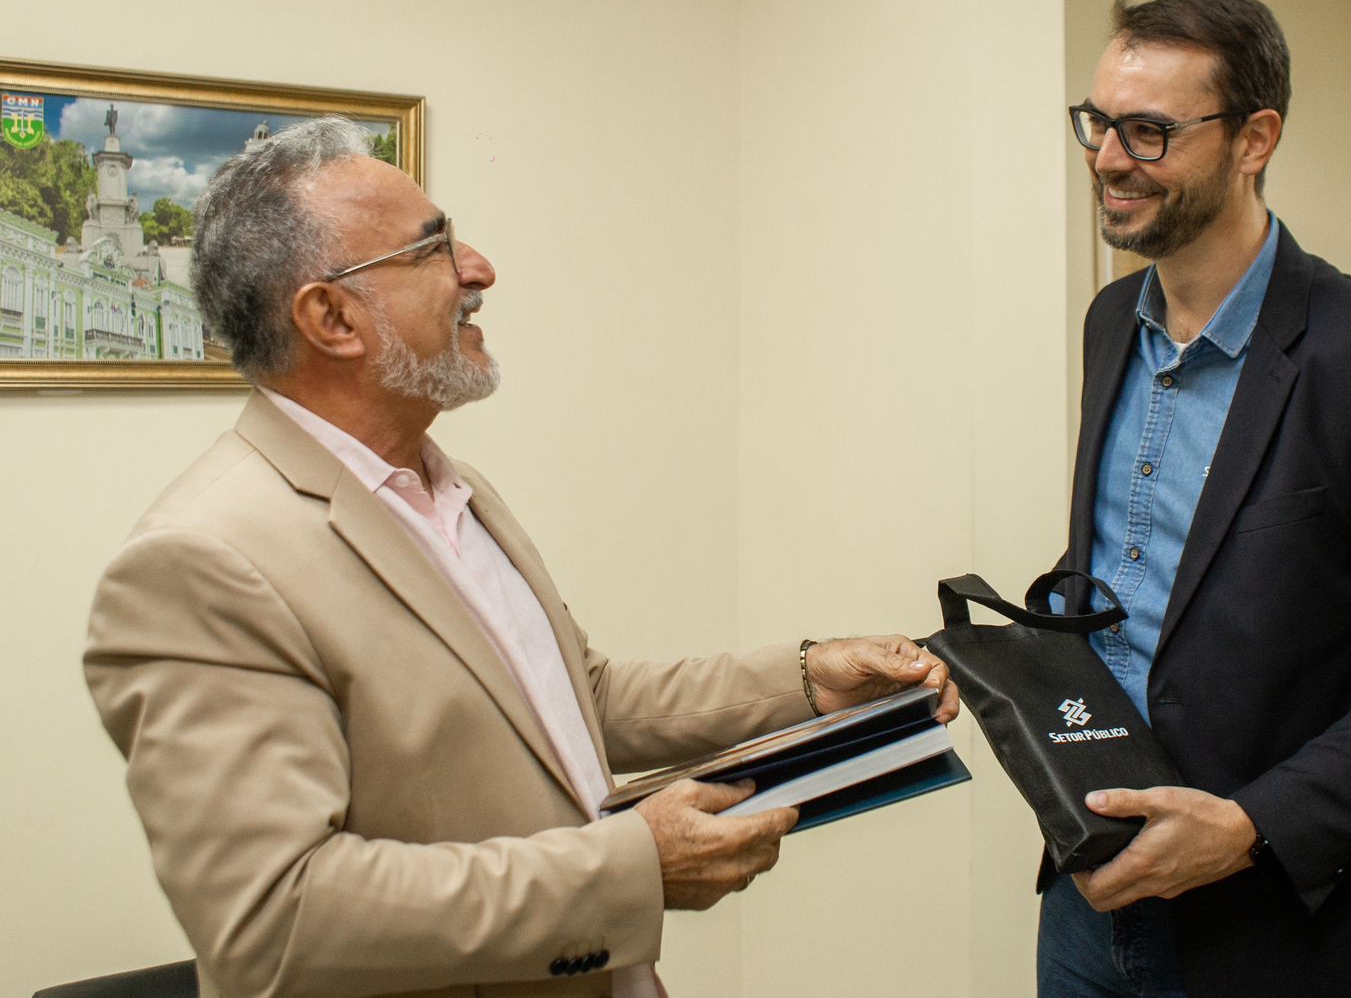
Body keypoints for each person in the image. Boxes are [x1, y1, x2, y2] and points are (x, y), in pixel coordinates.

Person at [83, 117, 958, 998]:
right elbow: (276, 920)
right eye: (433, 248)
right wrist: (628, 871)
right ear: (333, 318)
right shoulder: (202, 562)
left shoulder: (450, 487)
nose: (479, 270)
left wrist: (809, 680)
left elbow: (583, 699)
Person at [1036, 0, 1351, 997]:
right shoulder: (1108, 323)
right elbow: (1143, 580)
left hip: (1288, 929)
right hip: (1090, 894)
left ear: (1253, 139)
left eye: (1148, 131)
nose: (1106, 159)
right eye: (1096, 123)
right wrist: (1024, 645)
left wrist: (1253, 826)